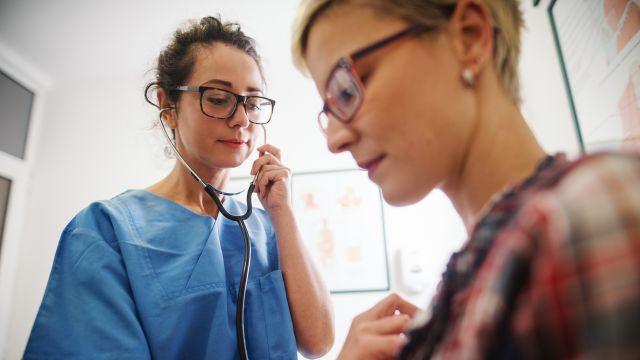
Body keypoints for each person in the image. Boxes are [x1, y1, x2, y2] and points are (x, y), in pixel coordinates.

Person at [291, 0, 640, 358]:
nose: (334, 140)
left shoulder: (586, 215)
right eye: (328, 109)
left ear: (468, 37)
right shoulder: (474, 274)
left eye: (347, 90)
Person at [24, 16, 333, 359]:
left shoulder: (267, 230)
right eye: (218, 98)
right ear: (168, 107)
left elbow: (318, 342)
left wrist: (282, 212)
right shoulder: (107, 231)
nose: (242, 119)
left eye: (252, 102)